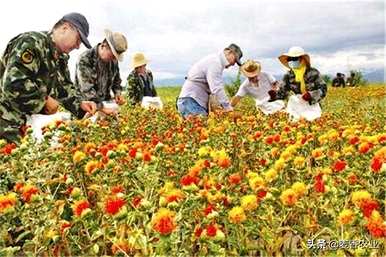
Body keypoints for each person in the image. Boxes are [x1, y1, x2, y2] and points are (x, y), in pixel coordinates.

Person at [0, 12, 96, 143]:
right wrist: (43, 101)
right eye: (78, 39)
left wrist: (80, 105)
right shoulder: (32, 43)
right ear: (65, 28)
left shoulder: (60, 58)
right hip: (5, 119)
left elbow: (64, 89)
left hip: (25, 122)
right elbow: (14, 84)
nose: (78, 46)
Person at [176, 43, 243, 118]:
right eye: (235, 59)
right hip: (191, 101)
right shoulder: (215, 62)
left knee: (198, 127)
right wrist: (228, 108)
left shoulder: (216, 61)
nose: (234, 64)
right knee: (201, 126)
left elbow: (214, 90)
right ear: (229, 52)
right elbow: (217, 88)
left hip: (190, 102)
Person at [75, 29, 127, 115]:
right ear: (103, 46)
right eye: (112, 55)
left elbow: (116, 81)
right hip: (87, 109)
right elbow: (87, 91)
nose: (114, 59)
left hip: (106, 106)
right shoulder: (85, 59)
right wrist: (102, 108)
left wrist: (117, 93)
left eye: (116, 57)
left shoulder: (113, 61)